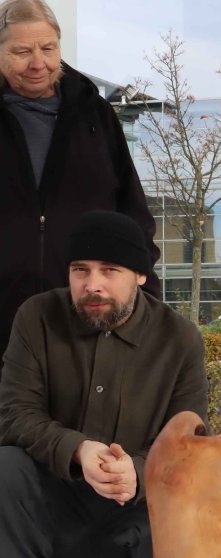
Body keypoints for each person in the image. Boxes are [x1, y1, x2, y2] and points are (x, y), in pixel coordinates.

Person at [0, 211, 209, 558]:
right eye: (80, 270)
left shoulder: (180, 340)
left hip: (133, 515)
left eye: (109, 270)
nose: (92, 285)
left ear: (141, 276)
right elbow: (13, 414)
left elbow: (190, 447)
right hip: (50, 506)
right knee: (4, 467)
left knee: (182, 500)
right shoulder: (36, 316)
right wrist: (78, 451)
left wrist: (137, 471)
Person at [0, 0, 161, 362]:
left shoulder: (94, 113)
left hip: (86, 316)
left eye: (48, 48)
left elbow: (132, 214)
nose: (38, 63)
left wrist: (147, 301)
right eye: (22, 51)